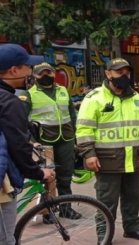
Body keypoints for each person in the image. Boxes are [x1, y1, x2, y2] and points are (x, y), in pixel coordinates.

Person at [76, 58, 139, 242]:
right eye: (119, 72)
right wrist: (89, 154)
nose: (124, 76)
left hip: (132, 160)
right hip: (106, 160)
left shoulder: (137, 99)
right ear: (108, 73)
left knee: (132, 198)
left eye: (127, 72)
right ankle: (104, 235)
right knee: (106, 201)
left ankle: (132, 228)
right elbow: (84, 129)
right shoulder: (94, 98)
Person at [0, 43, 55, 245]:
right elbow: (17, 146)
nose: (30, 72)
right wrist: (38, 173)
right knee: (6, 239)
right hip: (2, 181)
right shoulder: (9, 101)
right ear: (14, 70)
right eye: (28, 67)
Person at [19, 62, 81, 223]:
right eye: (41, 73)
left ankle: (66, 209)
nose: (46, 76)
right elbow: (22, 122)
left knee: (66, 176)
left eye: (49, 72)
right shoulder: (29, 95)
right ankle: (48, 211)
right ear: (35, 76)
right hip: (44, 142)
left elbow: (72, 115)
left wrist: (76, 137)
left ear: (54, 74)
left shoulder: (63, 91)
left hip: (66, 139)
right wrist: (32, 142)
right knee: (48, 178)